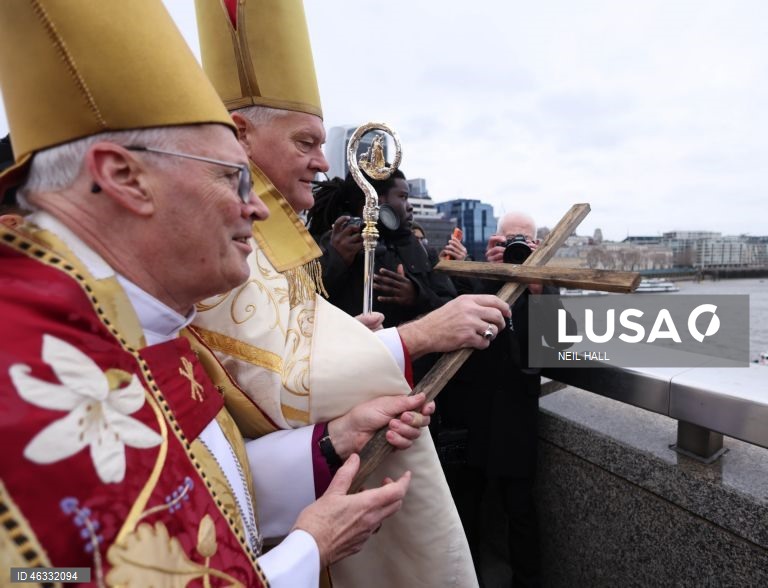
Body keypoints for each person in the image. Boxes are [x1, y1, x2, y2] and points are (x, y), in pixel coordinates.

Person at [0, 3, 441, 586]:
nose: (257, 208)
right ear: (124, 176)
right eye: (231, 177)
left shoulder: (144, 323)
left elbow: (197, 478)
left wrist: (331, 443)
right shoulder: (25, 372)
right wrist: (309, 550)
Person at [191, 1, 509, 586]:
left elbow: (283, 345)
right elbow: (274, 379)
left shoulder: (264, 228)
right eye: (305, 142)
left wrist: (338, 412)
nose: (321, 162)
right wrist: (420, 335)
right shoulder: (210, 240)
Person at [437, 212, 574, 587]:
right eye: (509, 240)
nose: (516, 246)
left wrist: (537, 287)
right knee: (467, 507)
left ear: (537, 246)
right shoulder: (477, 275)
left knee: (521, 510)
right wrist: (473, 270)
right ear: (493, 243)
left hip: (517, 413)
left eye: (524, 240)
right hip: (473, 411)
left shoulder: (543, 284)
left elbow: (565, 343)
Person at [308, 170, 458, 329]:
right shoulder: (331, 243)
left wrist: (416, 296)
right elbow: (297, 303)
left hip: (408, 351)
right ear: (375, 200)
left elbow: (451, 306)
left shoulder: (422, 250)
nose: (410, 207)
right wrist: (336, 259)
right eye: (403, 197)